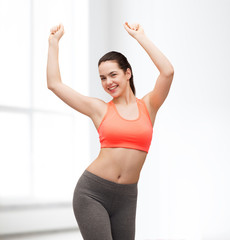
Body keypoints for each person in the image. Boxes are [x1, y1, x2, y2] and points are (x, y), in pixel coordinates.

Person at [46, 22, 174, 240]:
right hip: (92, 193)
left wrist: (140, 37)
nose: (108, 82)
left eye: (113, 75)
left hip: (127, 197)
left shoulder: (149, 106)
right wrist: (53, 44)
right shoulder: (99, 109)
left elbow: (168, 71)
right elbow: (54, 84)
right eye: (102, 78)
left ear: (128, 73)